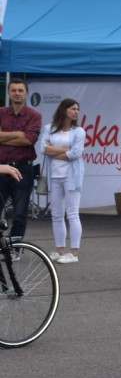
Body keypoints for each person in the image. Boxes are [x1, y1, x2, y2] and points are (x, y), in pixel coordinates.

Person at [36, 98, 86, 264]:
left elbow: (76, 154)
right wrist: (66, 150)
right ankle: (60, 250)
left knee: (72, 213)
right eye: (73, 108)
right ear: (64, 110)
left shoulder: (79, 131)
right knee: (57, 215)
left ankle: (73, 252)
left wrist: (53, 150)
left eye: (77, 109)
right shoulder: (49, 128)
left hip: (71, 177)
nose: (76, 111)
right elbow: (43, 149)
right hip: (54, 177)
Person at [0, 78, 42, 245]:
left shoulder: (34, 115)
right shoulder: (1, 113)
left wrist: (4, 137)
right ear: (9, 93)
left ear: (26, 94)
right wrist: (19, 133)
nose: (17, 93)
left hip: (23, 169)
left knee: (19, 212)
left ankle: (15, 247)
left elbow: (29, 140)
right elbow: (23, 137)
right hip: (2, 168)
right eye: (14, 90)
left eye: (20, 90)